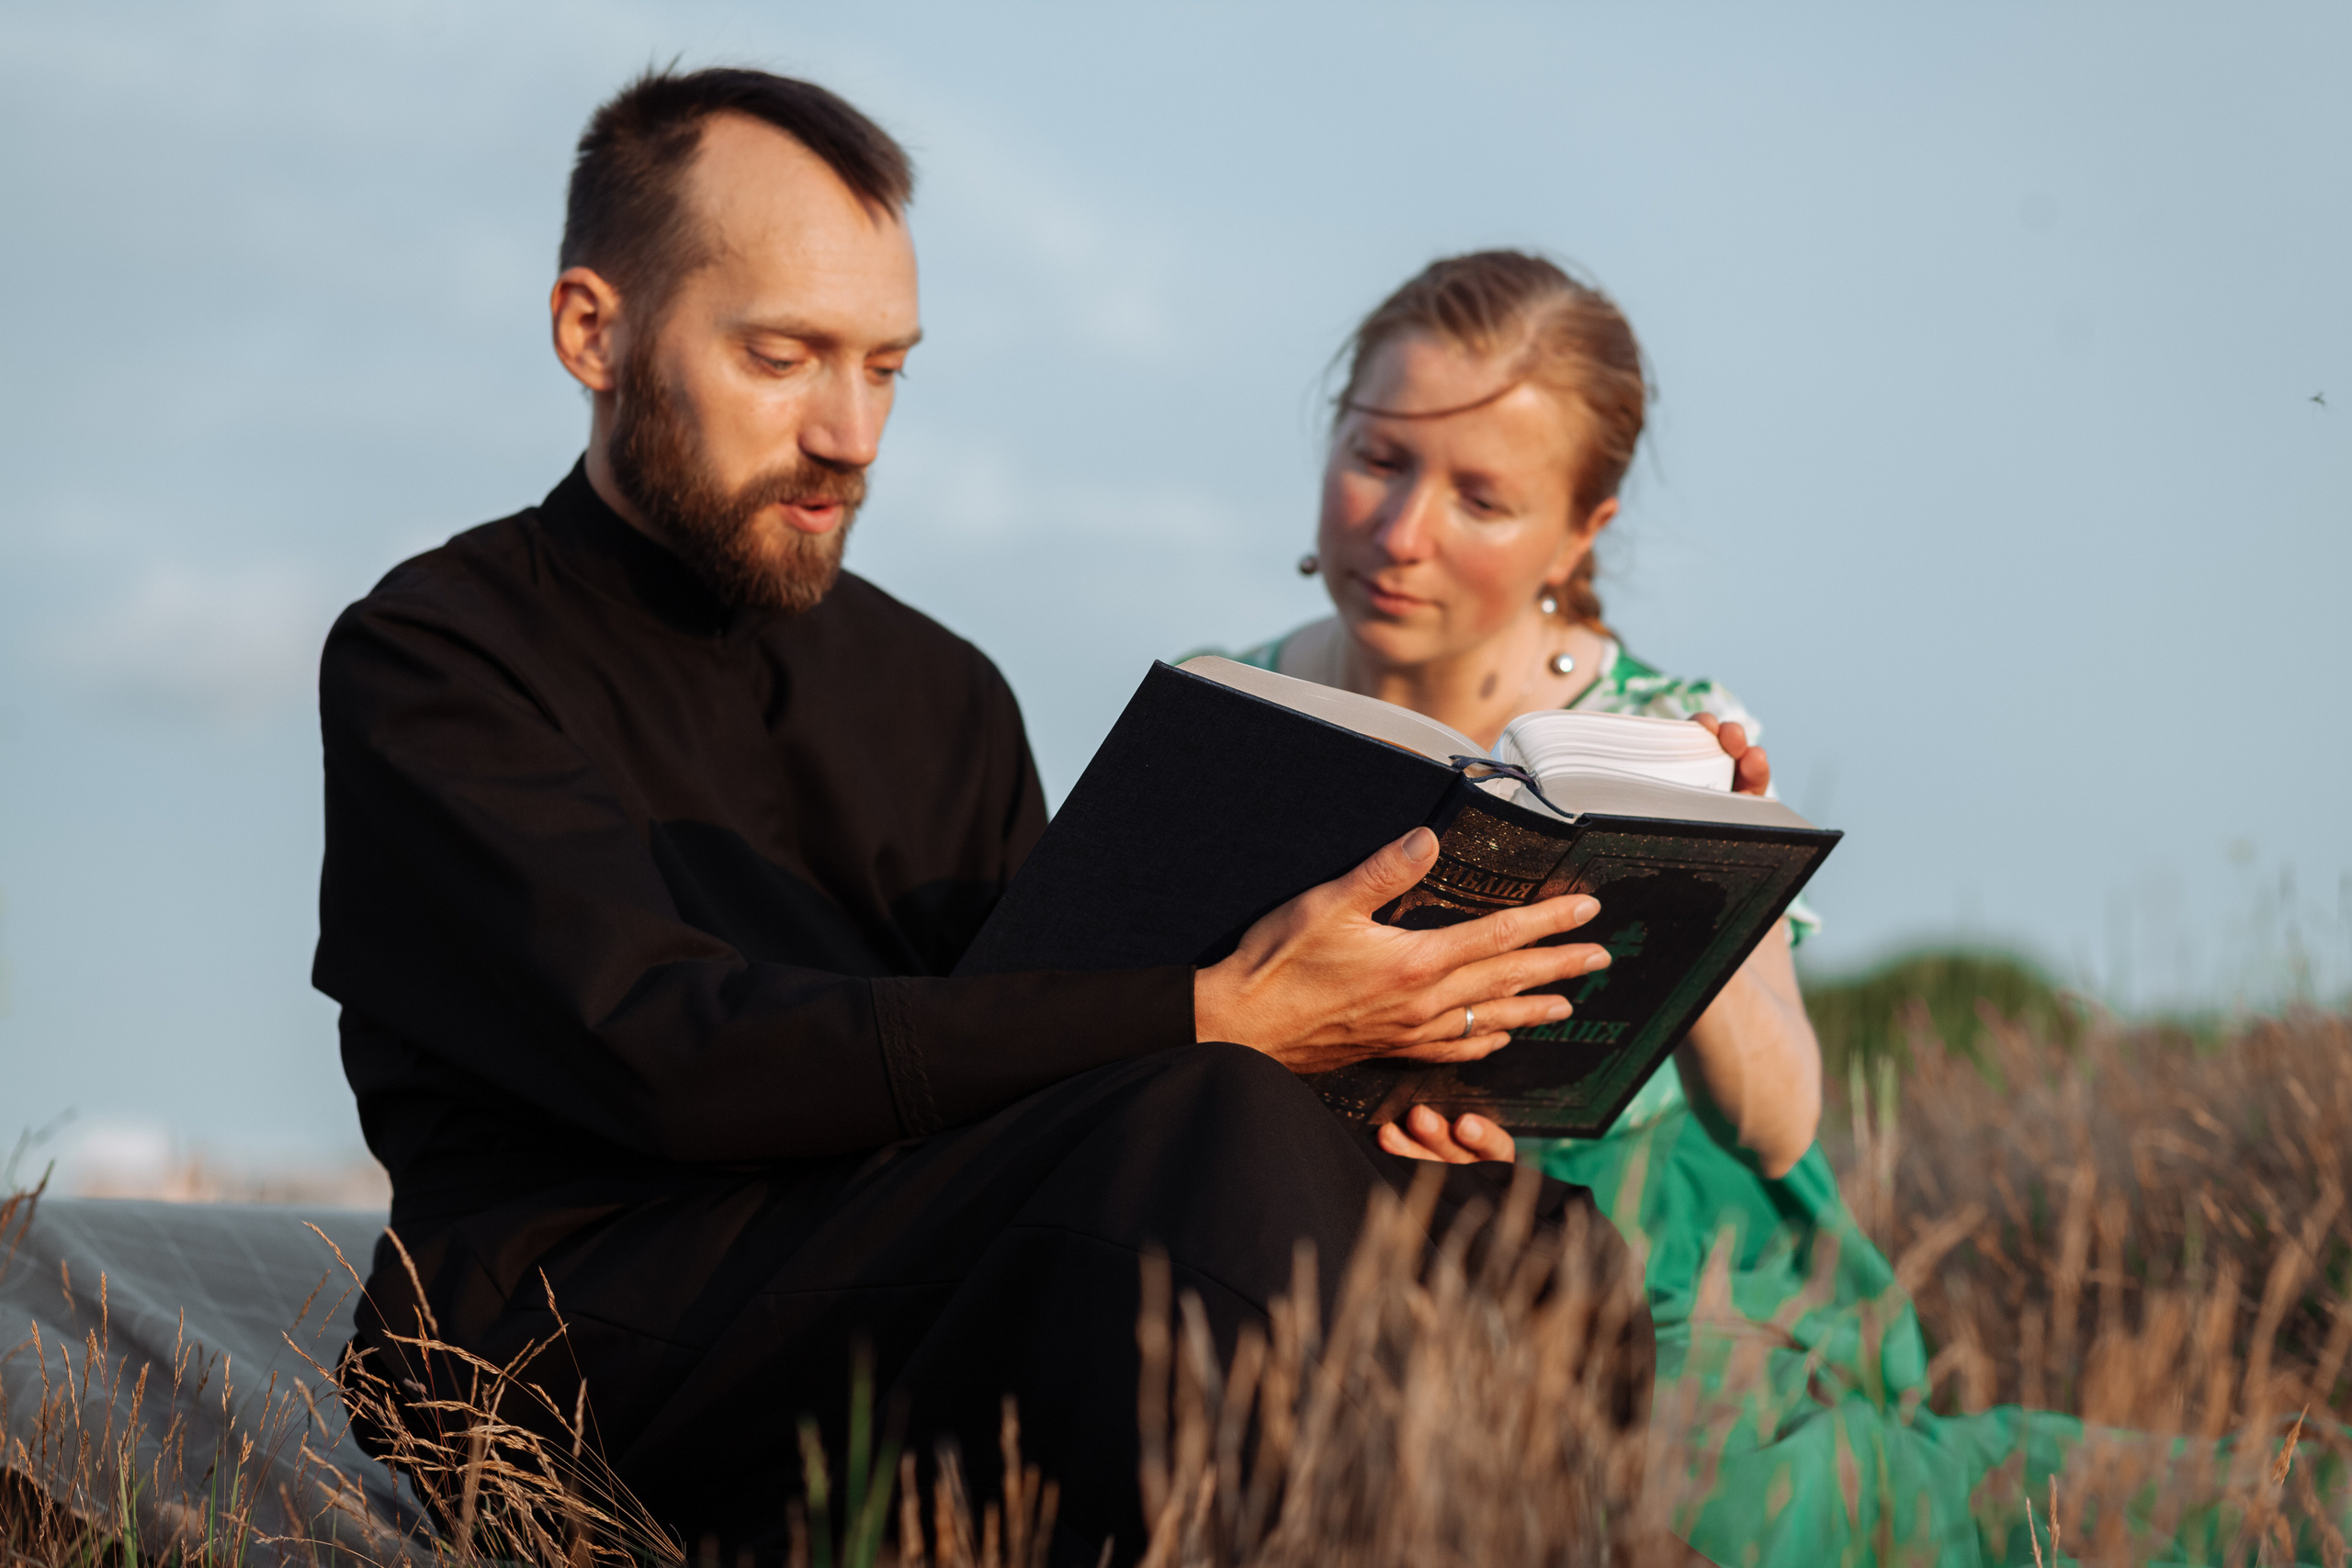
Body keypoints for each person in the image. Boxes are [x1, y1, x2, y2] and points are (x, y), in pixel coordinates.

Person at [317, 73, 1649, 1566]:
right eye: (784, 356)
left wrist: (1357, 1094)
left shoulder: (938, 686)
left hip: (896, 1265)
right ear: (593, 330)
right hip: (578, 1339)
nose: (848, 430)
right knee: (1202, 1111)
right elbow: (665, 1058)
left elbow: (1041, 1031)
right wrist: (1214, 1015)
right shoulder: (434, 658)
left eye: (887, 367)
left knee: (1524, 1239)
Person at [1206, 251, 2347, 1565]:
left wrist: (1713, 883)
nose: (1401, 532)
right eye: (1379, 459)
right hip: (1303, 1194)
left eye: (1482, 498)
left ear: (1582, 534)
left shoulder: (1655, 731)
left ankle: (2193, 1506)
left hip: (1627, 1221)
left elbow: (1779, 1120)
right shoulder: (1226, 697)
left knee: (1714, 1515)